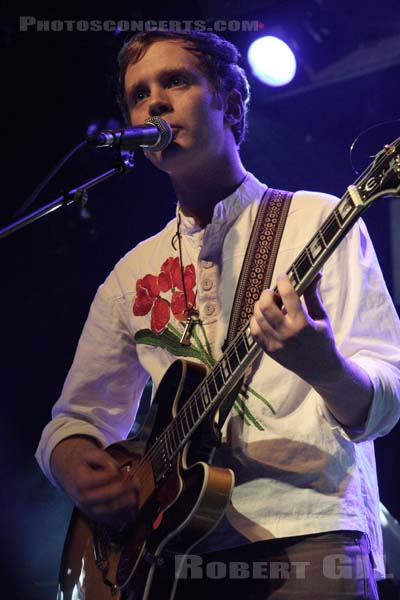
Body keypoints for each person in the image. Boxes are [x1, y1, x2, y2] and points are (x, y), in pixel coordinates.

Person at [36, 29, 400, 599]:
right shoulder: (131, 274)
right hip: (171, 561)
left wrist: (322, 364)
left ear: (231, 104)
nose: (153, 101)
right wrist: (72, 463)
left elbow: (387, 401)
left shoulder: (316, 219)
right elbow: (76, 416)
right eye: (138, 94)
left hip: (308, 529)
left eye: (175, 81)